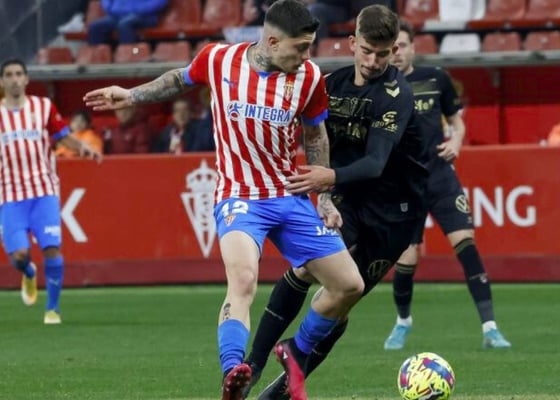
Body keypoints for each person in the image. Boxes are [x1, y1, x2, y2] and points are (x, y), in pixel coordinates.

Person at [83, 1, 365, 400]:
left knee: (350, 285)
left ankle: (296, 351)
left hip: (289, 195)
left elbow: (315, 135)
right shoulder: (218, 59)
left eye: (309, 47)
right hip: (239, 196)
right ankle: (234, 371)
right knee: (244, 279)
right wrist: (131, 95)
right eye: (300, 47)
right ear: (272, 41)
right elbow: (178, 80)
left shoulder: (310, 77)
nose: (307, 55)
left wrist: (324, 198)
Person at [242, 5, 429, 399]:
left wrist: (327, 176)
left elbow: (376, 163)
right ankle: (253, 366)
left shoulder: (397, 95)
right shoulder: (329, 83)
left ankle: (278, 390)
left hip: (394, 213)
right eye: (367, 51)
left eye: (382, 54)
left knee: (342, 299)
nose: (373, 62)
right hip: (347, 200)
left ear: (394, 51)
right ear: (352, 43)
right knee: (306, 270)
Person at [383, 20, 511, 350]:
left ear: (413, 48)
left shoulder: (436, 78)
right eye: (392, 47)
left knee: (465, 243)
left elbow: (457, 122)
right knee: (407, 260)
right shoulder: (379, 87)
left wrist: (456, 141)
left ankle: (490, 329)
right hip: (404, 184)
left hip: (440, 176)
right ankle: (403, 321)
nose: (397, 53)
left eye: (402, 46)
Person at [0, 59, 101, 324]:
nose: (14, 79)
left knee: (52, 248)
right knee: (19, 256)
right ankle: (28, 273)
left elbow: (62, 136)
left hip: (43, 191)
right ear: (2, 81)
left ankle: (52, 309)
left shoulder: (43, 107)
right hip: (10, 195)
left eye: (18, 74)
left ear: (26, 79)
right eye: (9, 74)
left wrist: (83, 148)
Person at [87, 0, 169, 45]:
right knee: (96, 26)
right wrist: (111, 8)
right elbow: (107, 2)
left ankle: (127, 57)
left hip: (145, 15)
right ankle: (98, 59)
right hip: (117, 15)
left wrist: (136, 10)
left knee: (125, 24)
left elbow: (160, 2)